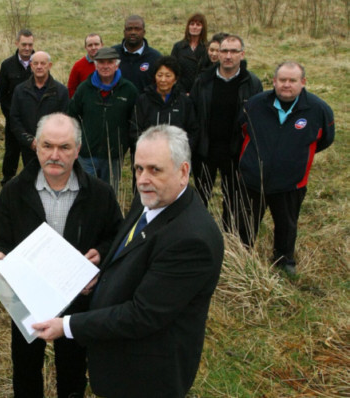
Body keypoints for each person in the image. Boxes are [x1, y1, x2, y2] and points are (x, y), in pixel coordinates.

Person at [32, 125, 224, 398]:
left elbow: (142, 315)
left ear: (183, 171)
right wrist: (101, 268)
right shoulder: (151, 198)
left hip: (146, 376)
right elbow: (130, 249)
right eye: (138, 169)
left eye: (155, 169)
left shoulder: (191, 241)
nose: (143, 179)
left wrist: (67, 326)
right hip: (117, 360)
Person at [0, 113, 122, 398]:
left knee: (73, 368)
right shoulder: (14, 191)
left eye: (64, 148)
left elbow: (115, 237)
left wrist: (103, 256)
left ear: (78, 150)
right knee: (25, 367)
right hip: (27, 297)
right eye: (47, 146)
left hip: (78, 299)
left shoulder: (100, 194)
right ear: (35, 146)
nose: (55, 155)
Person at [237, 61, 335, 275]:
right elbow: (242, 130)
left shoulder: (319, 110)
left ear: (303, 82)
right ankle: (241, 254)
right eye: (282, 80)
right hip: (253, 179)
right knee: (246, 221)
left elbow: (325, 139)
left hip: (291, 182)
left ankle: (284, 260)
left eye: (292, 81)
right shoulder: (255, 104)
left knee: (286, 224)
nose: (286, 85)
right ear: (274, 81)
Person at [190, 34, 262, 231]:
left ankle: (229, 237)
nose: (228, 56)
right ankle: (199, 232)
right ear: (217, 53)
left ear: (242, 54)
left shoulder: (252, 84)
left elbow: (256, 121)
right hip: (205, 150)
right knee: (201, 196)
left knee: (233, 197)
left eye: (233, 51)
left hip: (235, 153)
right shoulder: (202, 81)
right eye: (224, 51)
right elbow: (194, 115)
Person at [68, 47, 138, 193]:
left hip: (113, 156)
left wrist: (124, 145)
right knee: (86, 193)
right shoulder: (84, 89)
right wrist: (77, 142)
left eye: (110, 62)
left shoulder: (129, 90)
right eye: (101, 62)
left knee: (109, 193)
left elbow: (135, 122)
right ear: (95, 65)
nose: (105, 66)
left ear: (117, 65)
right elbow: (72, 116)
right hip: (86, 154)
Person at [10, 51, 69, 169]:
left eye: (43, 63)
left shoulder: (61, 91)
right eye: (35, 63)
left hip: (53, 149)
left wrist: (49, 143)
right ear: (31, 66)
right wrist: (29, 141)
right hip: (29, 149)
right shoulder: (20, 90)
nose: (39, 66)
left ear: (49, 66)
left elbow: (64, 120)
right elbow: (14, 119)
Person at [132, 56, 199, 153]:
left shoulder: (184, 102)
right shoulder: (143, 100)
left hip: (176, 157)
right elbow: (135, 129)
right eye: (159, 75)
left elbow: (193, 131)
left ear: (175, 79)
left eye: (168, 76)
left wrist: (183, 151)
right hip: (148, 155)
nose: (163, 80)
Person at [0, 29, 34, 185]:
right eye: (24, 44)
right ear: (17, 43)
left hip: (33, 121)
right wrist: (11, 117)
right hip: (13, 121)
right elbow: (2, 94)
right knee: (11, 153)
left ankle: (32, 182)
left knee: (32, 155)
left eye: (30, 45)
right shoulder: (7, 65)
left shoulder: (39, 63)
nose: (27, 48)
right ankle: (8, 182)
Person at [112, 15, 162, 93]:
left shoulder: (155, 57)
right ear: (124, 32)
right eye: (129, 29)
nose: (133, 32)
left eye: (137, 29)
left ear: (144, 32)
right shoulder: (113, 54)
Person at [170, 13, 209, 93]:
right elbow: (172, 69)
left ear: (203, 28)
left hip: (200, 90)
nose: (194, 27)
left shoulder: (207, 48)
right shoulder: (178, 47)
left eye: (198, 24)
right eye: (192, 24)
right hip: (180, 90)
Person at [67, 33, 103, 98]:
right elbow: (71, 89)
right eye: (90, 45)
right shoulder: (78, 66)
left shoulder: (110, 64)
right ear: (85, 47)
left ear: (102, 45)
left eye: (96, 44)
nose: (93, 47)